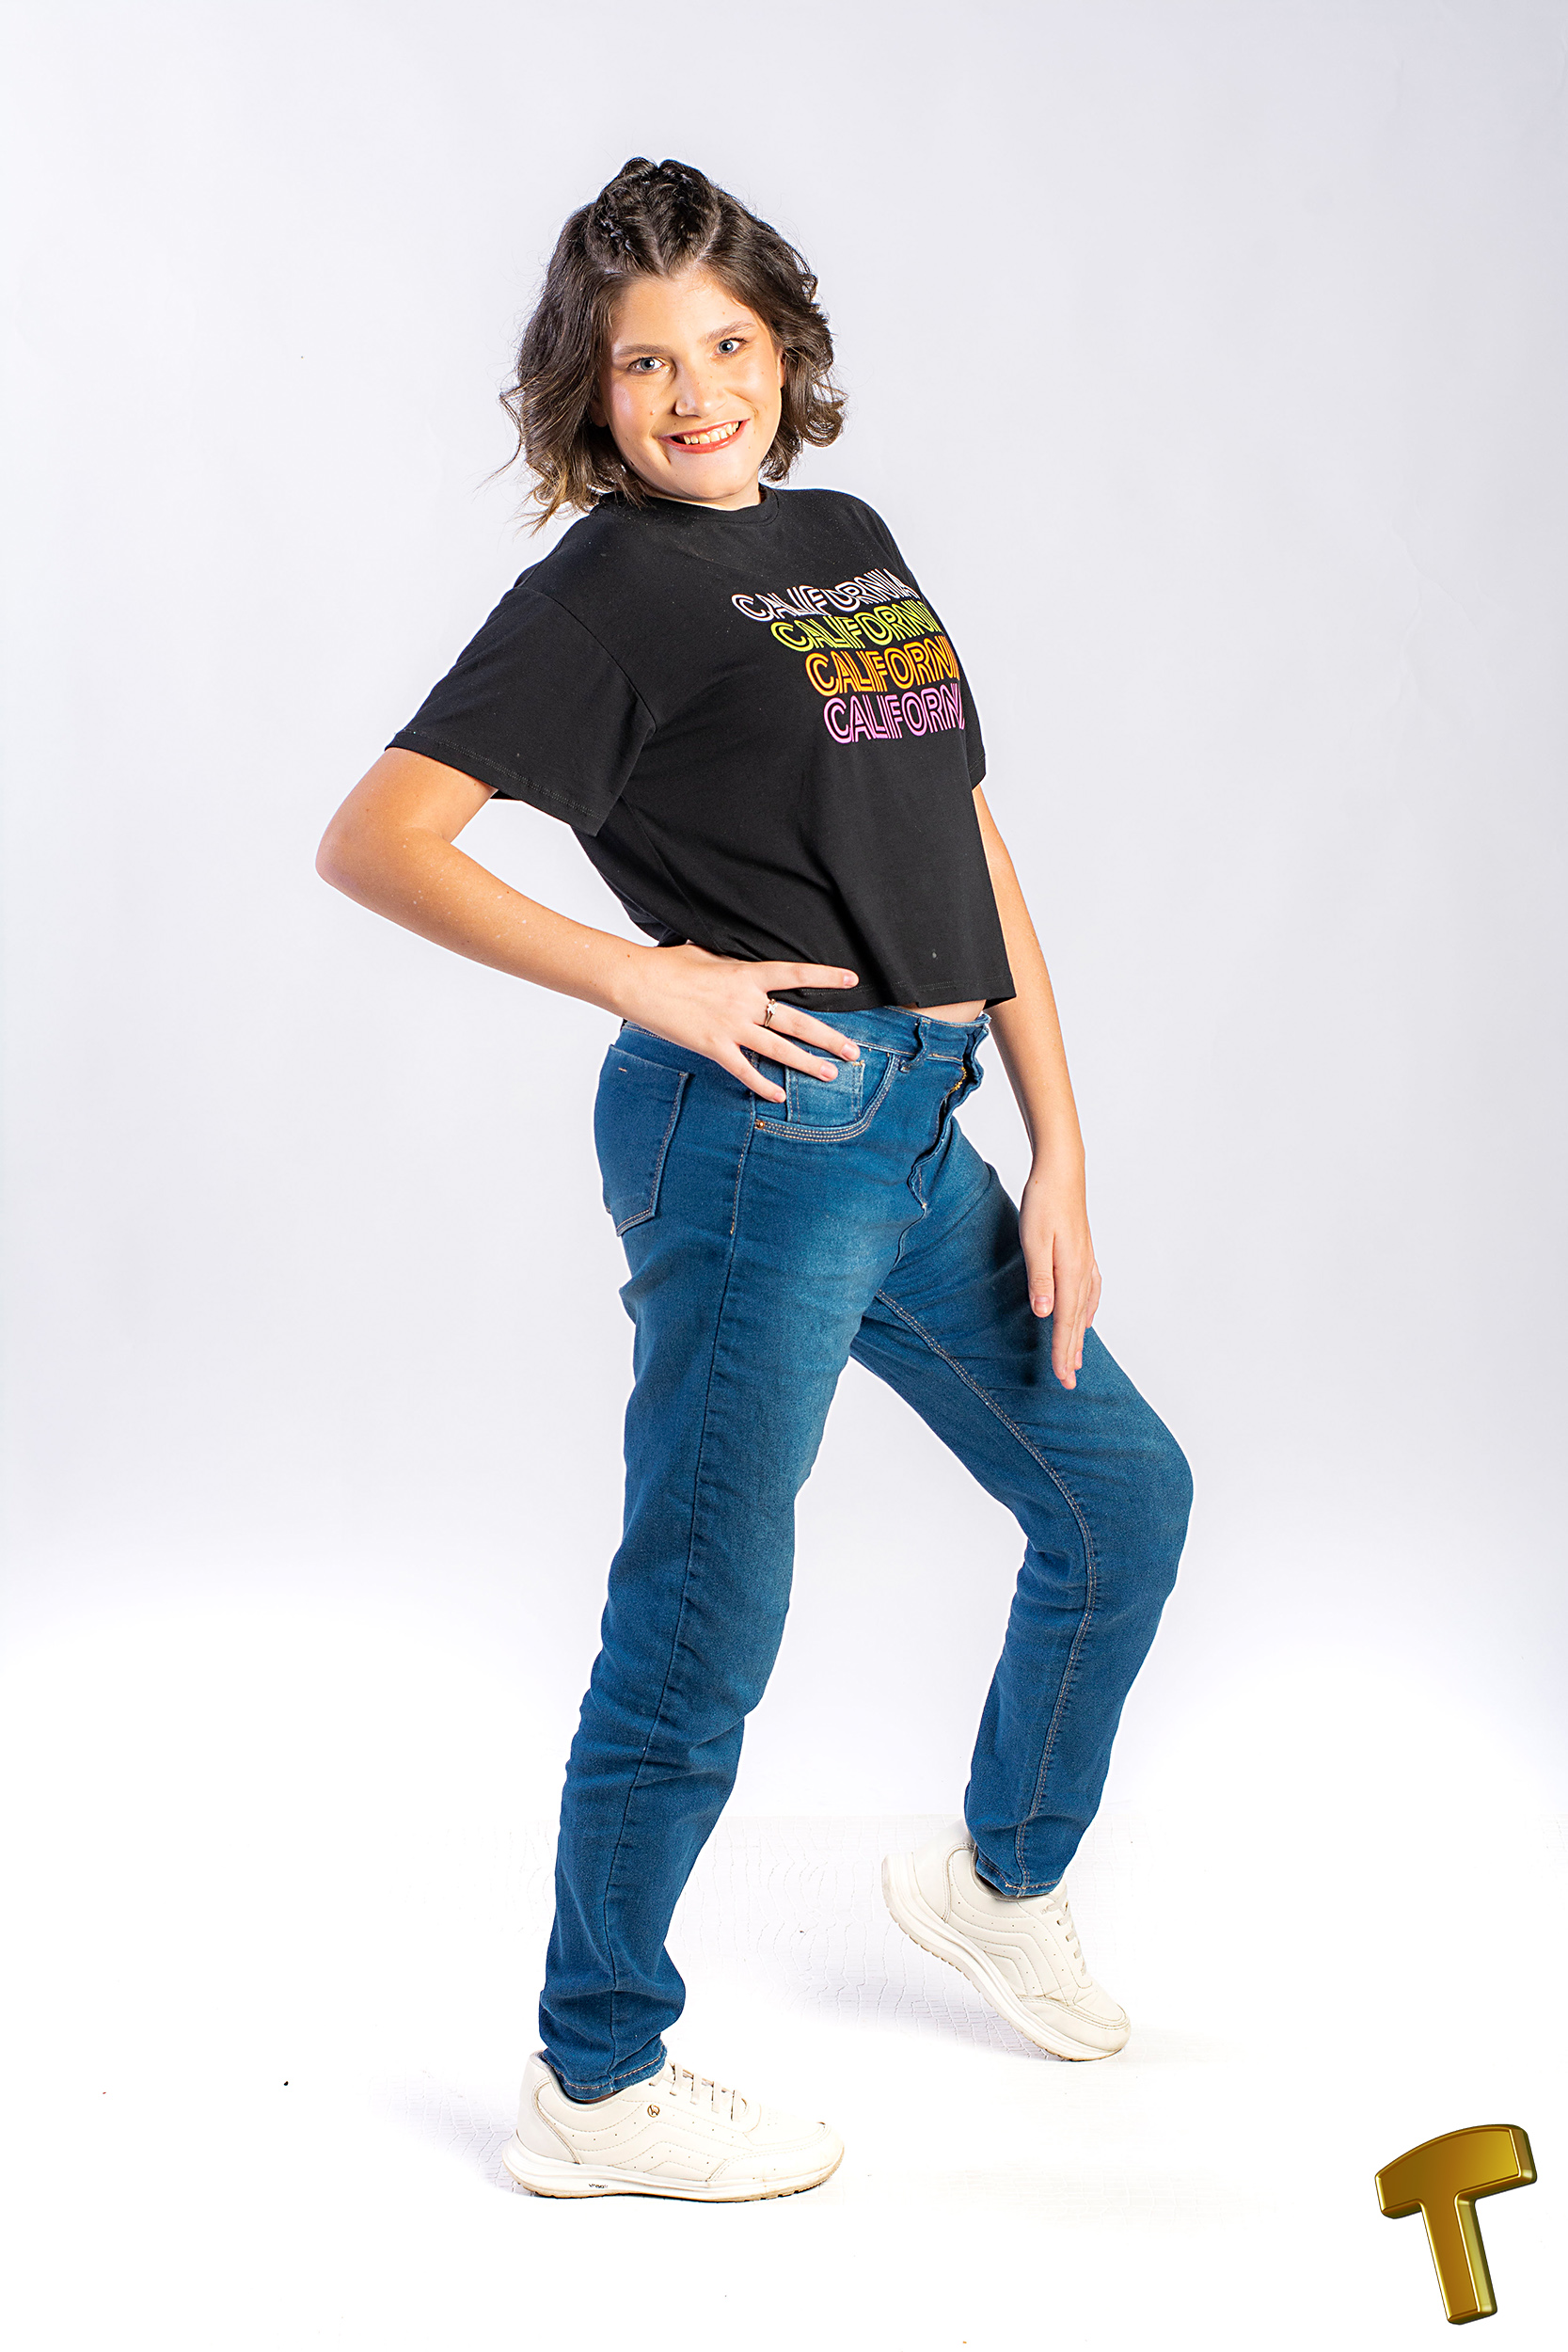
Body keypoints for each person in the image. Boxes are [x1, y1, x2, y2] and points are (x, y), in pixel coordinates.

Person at [317, 156, 1192, 2203]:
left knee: (1123, 1499)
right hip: (760, 1138)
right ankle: (595, 2072)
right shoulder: (603, 592)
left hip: (918, 1125)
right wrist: (647, 975)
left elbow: (967, 840)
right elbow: (377, 837)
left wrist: (1062, 1146)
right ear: (591, 391)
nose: (698, 390)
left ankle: (995, 1880)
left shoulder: (846, 540)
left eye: (728, 343)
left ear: (786, 351)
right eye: (646, 363)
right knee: (706, 1611)